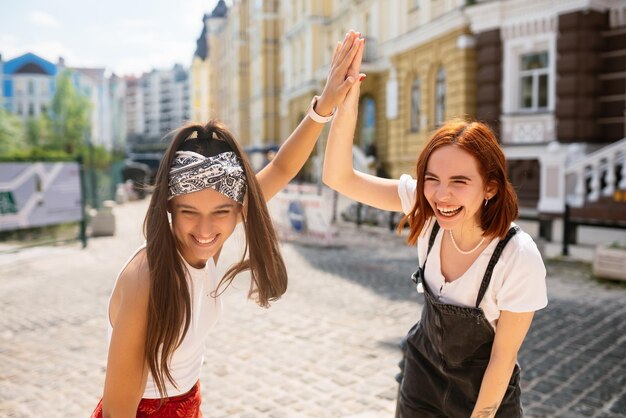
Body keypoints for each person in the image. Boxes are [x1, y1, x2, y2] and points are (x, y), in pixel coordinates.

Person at [91, 31, 364, 418]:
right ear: (168, 207)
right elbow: (120, 410)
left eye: (221, 212)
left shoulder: (206, 240)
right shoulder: (145, 280)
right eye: (189, 212)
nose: (205, 230)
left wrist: (325, 106)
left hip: (189, 402)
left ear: (238, 208)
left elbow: (283, 167)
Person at [322, 67, 547, 416]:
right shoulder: (426, 210)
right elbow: (338, 177)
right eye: (432, 178)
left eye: (459, 181)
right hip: (421, 381)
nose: (442, 195)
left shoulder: (518, 258)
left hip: (485, 396)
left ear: (490, 187)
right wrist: (346, 103)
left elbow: (502, 361)